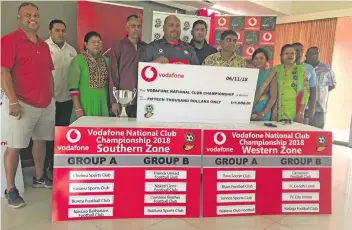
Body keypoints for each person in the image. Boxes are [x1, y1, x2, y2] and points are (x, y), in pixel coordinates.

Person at [1, 2, 55, 208]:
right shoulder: (9, 40)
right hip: (22, 103)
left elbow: (49, 72)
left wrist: (50, 96)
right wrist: (13, 100)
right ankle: (10, 189)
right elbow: (4, 72)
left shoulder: (43, 44)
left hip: (45, 103)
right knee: (15, 147)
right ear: (19, 17)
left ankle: (39, 177)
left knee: (40, 141)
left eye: (36, 15)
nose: (33, 18)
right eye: (27, 15)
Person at [45, 19, 77, 171]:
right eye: (57, 30)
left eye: (63, 30)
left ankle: (58, 164)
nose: (61, 33)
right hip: (48, 100)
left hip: (67, 99)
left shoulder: (72, 50)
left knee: (62, 133)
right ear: (50, 31)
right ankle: (46, 166)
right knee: (47, 135)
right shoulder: (43, 47)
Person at [109, 15, 146, 118]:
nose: (136, 29)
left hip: (143, 98)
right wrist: (114, 101)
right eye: (133, 26)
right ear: (127, 27)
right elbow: (113, 74)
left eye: (139, 26)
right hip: (123, 99)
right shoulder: (118, 46)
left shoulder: (146, 47)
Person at [68, 31, 109, 123]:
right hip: (85, 102)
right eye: (93, 42)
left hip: (102, 102)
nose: (96, 44)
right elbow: (73, 86)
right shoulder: (78, 60)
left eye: (99, 42)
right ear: (86, 44)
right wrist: (77, 108)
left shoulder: (106, 61)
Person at [271, 44, 309, 122]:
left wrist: (301, 112)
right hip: (276, 112)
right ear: (281, 55)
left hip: (294, 112)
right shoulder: (275, 70)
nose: (289, 55)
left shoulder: (301, 70)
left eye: (292, 53)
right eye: (286, 53)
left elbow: (306, 92)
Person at [305, 46, 336, 128]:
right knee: (302, 132)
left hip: (320, 108)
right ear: (306, 55)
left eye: (316, 53)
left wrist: (320, 93)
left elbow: (332, 85)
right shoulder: (301, 67)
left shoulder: (327, 69)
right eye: (311, 53)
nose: (314, 55)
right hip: (303, 106)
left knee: (318, 134)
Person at [293, 42, 317, 123]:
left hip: (303, 106)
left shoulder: (309, 68)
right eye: (296, 50)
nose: (299, 53)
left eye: (301, 50)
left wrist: (312, 108)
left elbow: (313, 89)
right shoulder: (283, 67)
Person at [251, 48, 277, 121]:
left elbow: (273, 96)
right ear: (252, 60)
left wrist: (263, 113)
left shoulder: (270, 75)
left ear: (266, 60)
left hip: (263, 111)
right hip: (248, 111)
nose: (258, 61)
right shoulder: (248, 74)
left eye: (261, 58)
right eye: (256, 58)